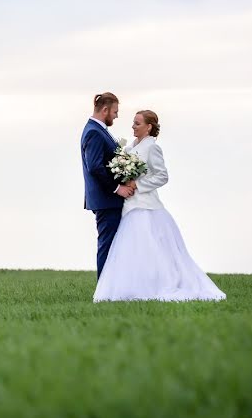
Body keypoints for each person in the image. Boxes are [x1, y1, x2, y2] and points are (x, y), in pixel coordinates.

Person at [93, 110, 226, 302]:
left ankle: (159, 285)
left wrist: (137, 184)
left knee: (151, 248)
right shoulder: (129, 148)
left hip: (146, 206)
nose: (133, 126)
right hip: (129, 205)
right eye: (133, 122)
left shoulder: (152, 148)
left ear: (149, 127)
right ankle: (133, 286)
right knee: (133, 250)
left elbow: (162, 176)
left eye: (137, 123)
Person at [80, 92, 136, 278]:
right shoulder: (94, 132)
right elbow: (95, 166)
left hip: (107, 200)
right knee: (108, 245)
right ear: (105, 110)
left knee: (114, 245)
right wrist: (117, 188)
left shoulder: (99, 130)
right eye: (115, 111)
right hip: (106, 199)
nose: (116, 116)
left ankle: (111, 288)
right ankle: (104, 290)